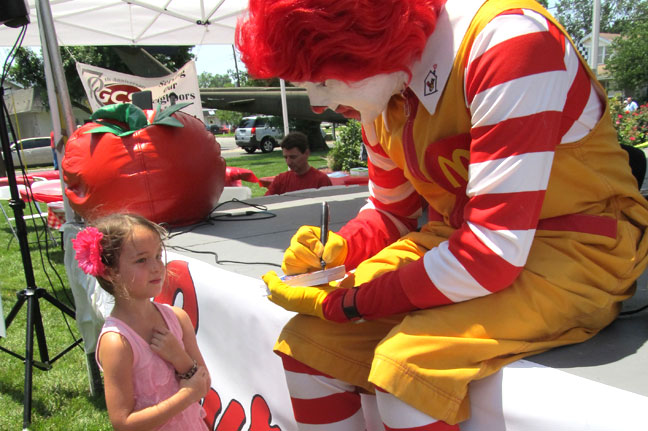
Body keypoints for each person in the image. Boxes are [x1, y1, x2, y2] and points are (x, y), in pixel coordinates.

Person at [236, 0, 648, 430]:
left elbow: (491, 251)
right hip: (461, 242)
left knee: (410, 368)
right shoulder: (383, 80)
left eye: (321, 81)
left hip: (579, 248)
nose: (317, 104)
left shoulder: (509, 41)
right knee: (309, 342)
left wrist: (351, 301)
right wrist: (340, 248)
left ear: (367, 43)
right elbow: (391, 211)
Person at [72, 214, 210, 430]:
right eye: (141, 260)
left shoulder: (177, 319)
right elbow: (124, 423)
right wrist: (186, 395)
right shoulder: (117, 343)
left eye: (157, 256)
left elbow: (204, 384)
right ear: (110, 273)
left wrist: (179, 357)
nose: (156, 267)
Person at [265, 131, 332, 195]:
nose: (288, 162)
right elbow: (265, 203)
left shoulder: (321, 180)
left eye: (293, 157)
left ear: (306, 153)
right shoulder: (280, 180)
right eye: (286, 157)